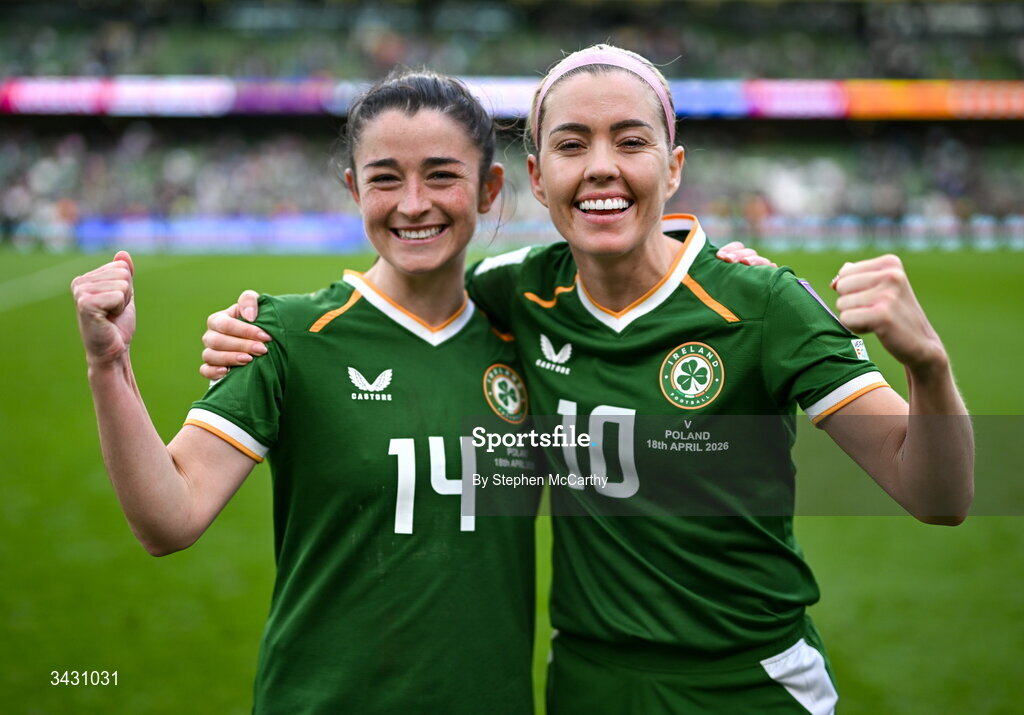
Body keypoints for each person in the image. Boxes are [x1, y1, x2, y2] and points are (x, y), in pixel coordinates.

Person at [200, 45, 974, 714]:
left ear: (672, 166)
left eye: (629, 140)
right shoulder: (516, 294)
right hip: (586, 681)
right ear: (537, 177)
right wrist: (258, 325)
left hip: (748, 683)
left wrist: (928, 366)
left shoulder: (762, 304)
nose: (601, 165)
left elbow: (937, 495)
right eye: (573, 144)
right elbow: (400, 304)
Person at [71, 69, 543, 714]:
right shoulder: (284, 334)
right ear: (353, 188)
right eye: (384, 177)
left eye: (441, 174)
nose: (412, 203)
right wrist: (109, 364)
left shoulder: (528, 337)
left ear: (488, 188)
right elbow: (168, 519)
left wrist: (726, 272)